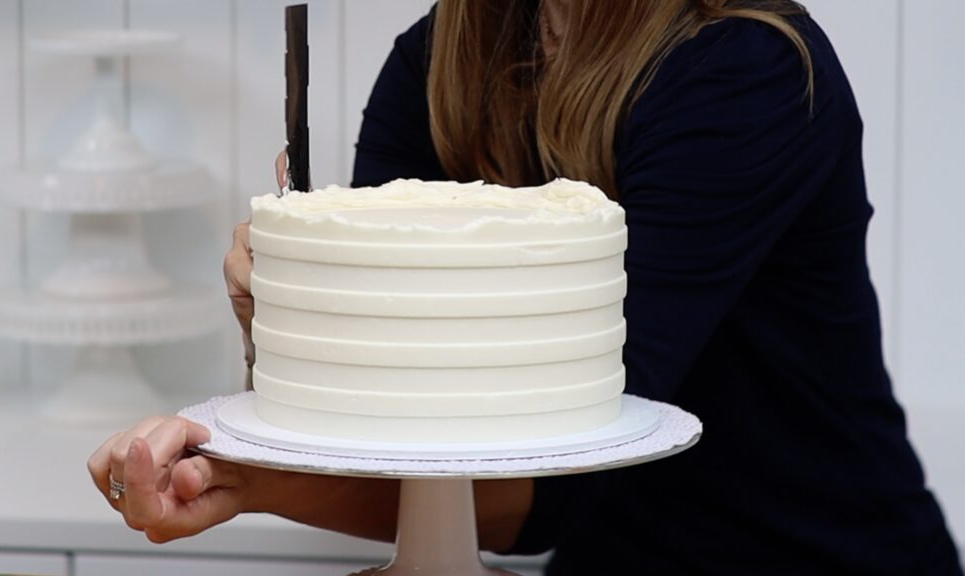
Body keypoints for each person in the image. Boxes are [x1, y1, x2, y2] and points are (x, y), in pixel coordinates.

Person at [88, 1, 964, 573]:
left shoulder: (750, 70)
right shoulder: (436, 61)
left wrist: (240, 481)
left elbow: (554, 483)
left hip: (816, 555)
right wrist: (280, 313)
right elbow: (395, 417)